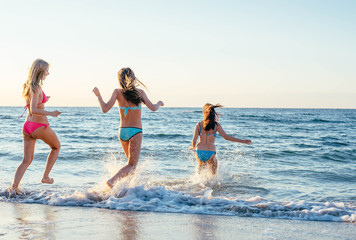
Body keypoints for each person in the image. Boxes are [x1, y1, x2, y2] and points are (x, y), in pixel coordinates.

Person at [92, 67, 164, 188]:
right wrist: (159, 103)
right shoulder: (139, 92)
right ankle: (112, 181)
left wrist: (98, 95)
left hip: (122, 132)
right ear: (133, 78)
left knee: (130, 166)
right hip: (135, 132)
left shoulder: (117, 92)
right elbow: (153, 108)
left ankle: (128, 189)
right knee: (132, 165)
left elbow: (104, 109)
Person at [10, 59, 61, 193]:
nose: (48, 73)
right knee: (56, 147)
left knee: (26, 160)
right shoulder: (37, 87)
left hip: (27, 127)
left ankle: (13, 188)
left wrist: (44, 99)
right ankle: (45, 177)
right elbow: (33, 109)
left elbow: (34, 102)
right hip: (39, 126)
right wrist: (51, 113)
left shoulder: (28, 85)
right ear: (40, 71)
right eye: (46, 71)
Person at [189, 103, 252, 174]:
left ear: (204, 112)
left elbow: (194, 140)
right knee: (213, 174)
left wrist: (192, 146)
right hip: (210, 152)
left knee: (200, 171)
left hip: (199, 151)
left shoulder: (198, 125)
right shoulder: (216, 125)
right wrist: (243, 141)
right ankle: (211, 184)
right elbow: (226, 137)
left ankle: (197, 184)